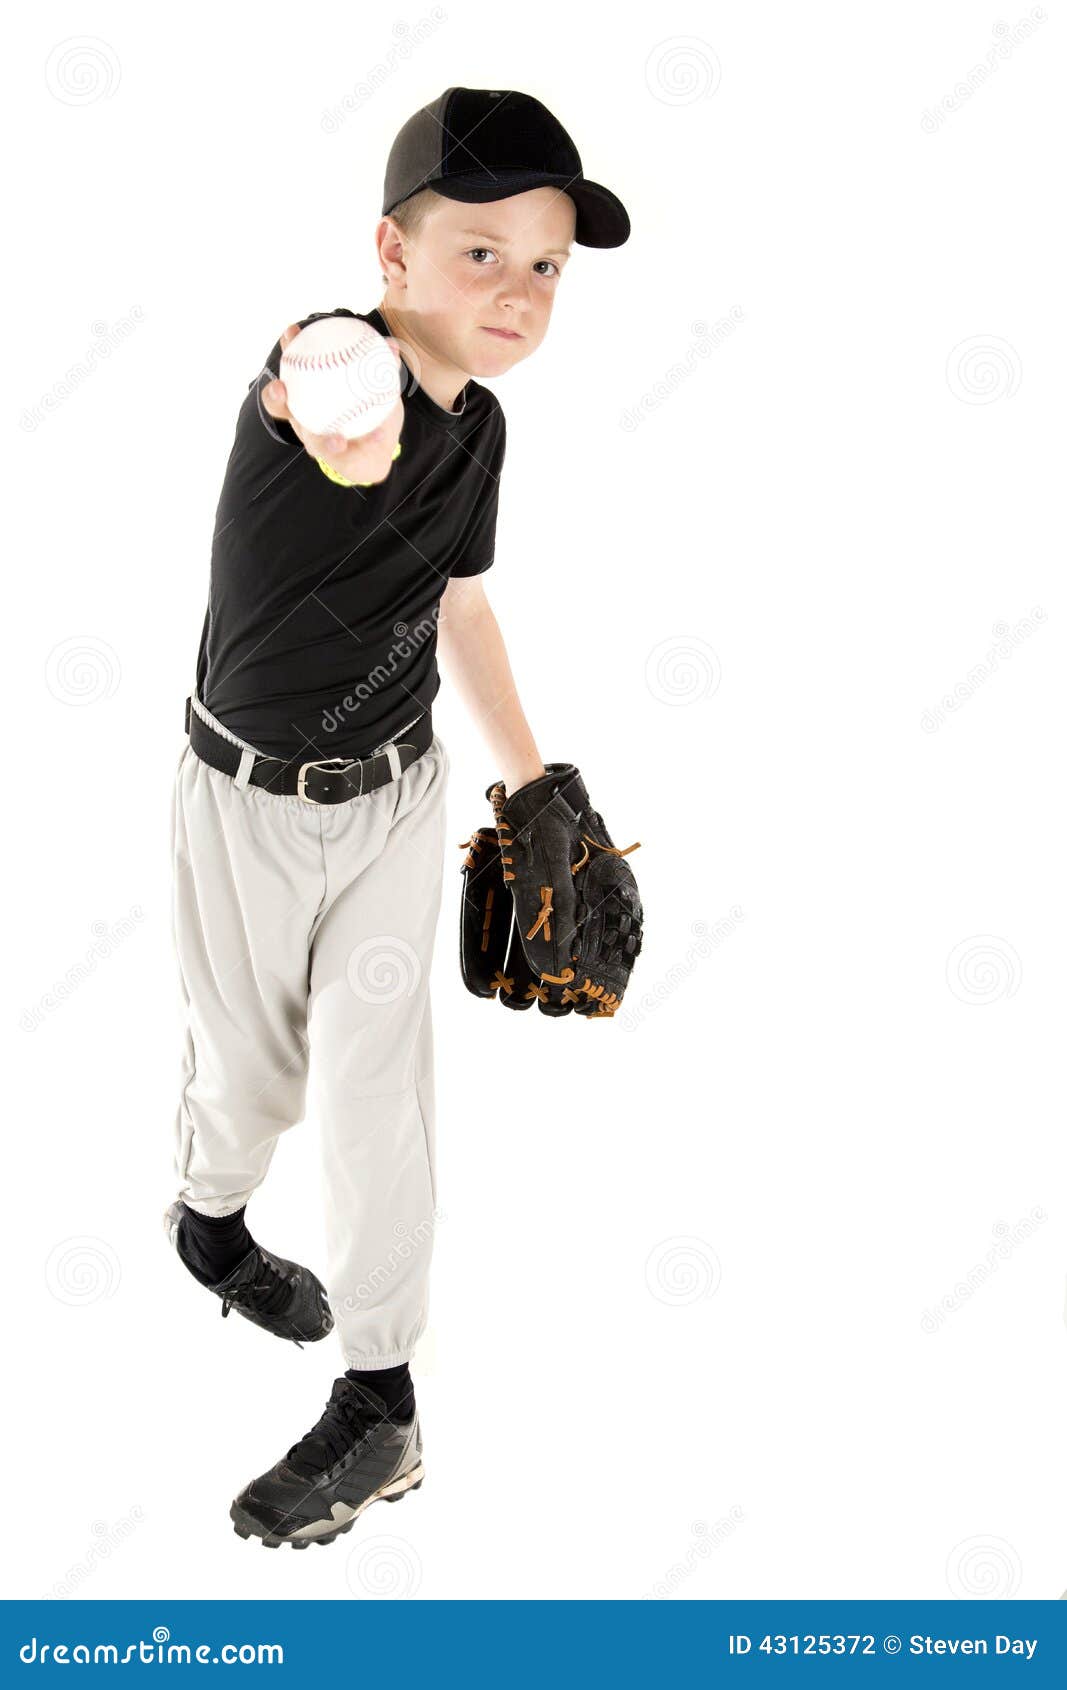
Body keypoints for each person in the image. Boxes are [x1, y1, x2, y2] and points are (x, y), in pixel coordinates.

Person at [166, 85, 630, 1549]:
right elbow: (321, 395)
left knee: (378, 1094)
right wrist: (338, 403)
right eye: (480, 251)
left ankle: (381, 1406)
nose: (519, 290)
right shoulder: (336, 361)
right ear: (390, 247)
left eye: (547, 265)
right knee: (251, 1073)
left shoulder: (482, 432)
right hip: (240, 798)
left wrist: (533, 780)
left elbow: (458, 599)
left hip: (392, 803)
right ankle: (211, 1224)